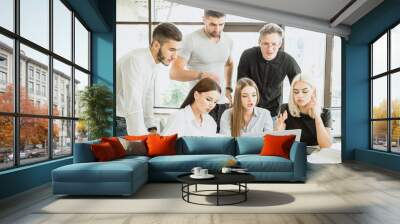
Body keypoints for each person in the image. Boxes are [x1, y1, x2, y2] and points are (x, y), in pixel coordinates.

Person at [170, 10, 234, 129]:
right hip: (200, 104)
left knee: (221, 144)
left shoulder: (228, 40)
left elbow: (229, 64)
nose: (217, 29)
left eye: (221, 24)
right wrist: (201, 75)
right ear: (203, 19)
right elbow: (174, 73)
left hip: (222, 104)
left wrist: (228, 89)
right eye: (213, 24)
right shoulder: (191, 40)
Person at [116, 23, 182, 135]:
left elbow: (147, 97)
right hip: (122, 122)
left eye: (177, 50)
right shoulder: (135, 60)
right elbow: (133, 102)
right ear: (156, 45)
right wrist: (140, 138)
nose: (175, 56)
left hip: (132, 121)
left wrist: (151, 127)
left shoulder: (153, 64)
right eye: (171, 49)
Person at [237, 23, 301, 119]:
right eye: (266, 43)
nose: (270, 49)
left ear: (280, 44)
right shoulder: (247, 56)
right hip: (248, 111)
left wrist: (292, 108)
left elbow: (299, 84)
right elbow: (241, 85)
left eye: (274, 44)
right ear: (259, 42)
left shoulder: (288, 60)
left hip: (273, 112)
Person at [275, 73, 332, 148]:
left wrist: (317, 116)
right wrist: (278, 131)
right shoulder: (285, 109)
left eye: (305, 91)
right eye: (296, 92)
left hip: (315, 154)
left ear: (313, 92)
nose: (300, 95)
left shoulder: (325, 113)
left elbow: (325, 145)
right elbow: (277, 144)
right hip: (293, 152)